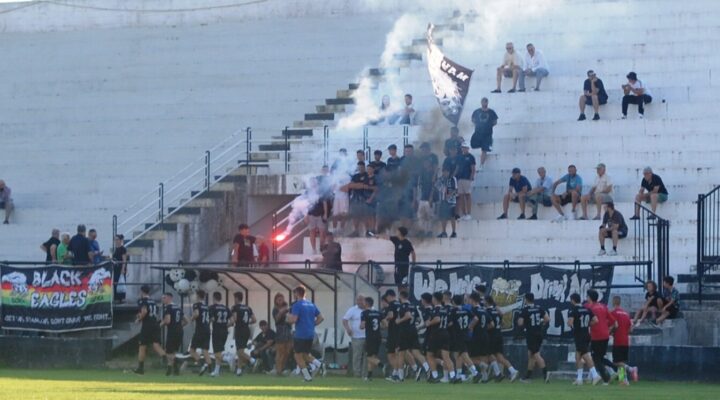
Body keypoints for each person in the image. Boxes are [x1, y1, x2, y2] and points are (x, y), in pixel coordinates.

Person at [288, 285, 325, 382]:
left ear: (297, 293)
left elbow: (294, 319)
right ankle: (320, 365)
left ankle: (307, 377)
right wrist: (312, 325)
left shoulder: (297, 305)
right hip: (310, 334)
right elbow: (321, 317)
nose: (294, 295)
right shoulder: (311, 304)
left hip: (300, 334)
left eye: (294, 293)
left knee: (297, 356)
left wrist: (288, 319)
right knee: (305, 355)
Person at [567, 293, 602, 385]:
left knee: (585, 355)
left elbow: (570, 323)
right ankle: (579, 379)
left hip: (579, 335)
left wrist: (575, 326)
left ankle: (595, 375)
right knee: (578, 356)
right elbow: (596, 320)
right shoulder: (587, 309)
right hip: (587, 333)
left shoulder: (573, 310)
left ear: (573, 300)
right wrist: (586, 325)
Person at [397, 290, 430, 381]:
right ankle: (427, 368)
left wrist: (399, 321)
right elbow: (419, 318)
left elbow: (408, 316)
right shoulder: (414, 307)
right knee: (416, 352)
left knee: (401, 353)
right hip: (413, 330)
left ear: (401, 296)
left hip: (404, 331)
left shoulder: (403, 306)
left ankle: (400, 377)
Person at [133, 285, 166, 375]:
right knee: (156, 345)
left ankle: (140, 368)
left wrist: (139, 319)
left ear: (142, 292)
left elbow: (144, 311)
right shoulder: (153, 301)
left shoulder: (142, 301)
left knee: (142, 346)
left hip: (147, 325)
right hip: (155, 324)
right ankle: (167, 360)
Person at [485, 296, 519, 382]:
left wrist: (484, 328)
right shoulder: (497, 312)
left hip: (492, 335)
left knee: (490, 354)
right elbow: (501, 317)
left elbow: (491, 325)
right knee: (500, 357)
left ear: (487, 302)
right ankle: (512, 370)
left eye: (484, 301)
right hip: (499, 334)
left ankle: (498, 373)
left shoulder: (487, 312)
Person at [425, 292, 457, 383]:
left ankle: (434, 376)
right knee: (446, 356)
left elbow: (437, 319)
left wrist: (429, 323)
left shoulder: (435, 310)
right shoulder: (445, 309)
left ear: (434, 299)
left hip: (436, 334)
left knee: (429, 355)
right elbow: (450, 323)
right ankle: (453, 376)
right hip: (445, 333)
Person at [517, 292, 550, 383]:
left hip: (531, 334)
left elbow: (520, 323)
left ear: (526, 299)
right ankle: (528, 375)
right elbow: (547, 319)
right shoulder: (539, 308)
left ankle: (545, 373)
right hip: (539, 333)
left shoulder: (525, 310)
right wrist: (540, 323)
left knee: (536, 354)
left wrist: (524, 323)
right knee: (531, 354)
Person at [585, 289, 616, 384]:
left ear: (589, 297)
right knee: (601, 357)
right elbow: (614, 322)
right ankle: (616, 368)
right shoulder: (603, 307)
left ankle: (606, 378)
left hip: (596, 336)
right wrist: (609, 331)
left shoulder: (589, 307)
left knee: (595, 358)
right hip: (605, 335)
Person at [610, 296, 638, 385]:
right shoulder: (626, 314)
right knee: (621, 361)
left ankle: (631, 369)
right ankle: (623, 380)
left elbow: (614, 325)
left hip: (618, 339)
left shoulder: (613, 313)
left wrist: (610, 332)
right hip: (625, 340)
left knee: (616, 362)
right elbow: (630, 330)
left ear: (613, 302)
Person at [451, 294, 479, 382]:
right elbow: (476, 319)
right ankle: (458, 376)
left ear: (453, 302)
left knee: (464, 354)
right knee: (457, 355)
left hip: (458, 335)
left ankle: (475, 373)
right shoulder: (466, 310)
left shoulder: (454, 311)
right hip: (465, 334)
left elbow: (450, 323)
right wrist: (470, 326)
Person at [230, 291, 257, 376]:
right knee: (241, 350)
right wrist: (246, 323)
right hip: (246, 330)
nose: (234, 300)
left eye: (234, 298)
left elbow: (234, 319)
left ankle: (252, 360)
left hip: (239, 330)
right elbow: (254, 320)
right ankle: (239, 370)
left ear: (237, 298)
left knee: (239, 351)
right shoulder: (248, 308)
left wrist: (229, 323)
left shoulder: (235, 307)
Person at [161, 292, 187, 376]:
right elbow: (186, 320)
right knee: (173, 351)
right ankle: (174, 370)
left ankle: (178, 363)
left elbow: (167, 320)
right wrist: (179, 326)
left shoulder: (168, 308)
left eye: (164, 298)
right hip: (179, 330)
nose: (163, 299)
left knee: (168, 351)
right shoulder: (178, 307)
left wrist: (160, 325)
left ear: (169, 298)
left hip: (172, 331)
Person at [342, 295, 367, 378]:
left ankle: (365, 374)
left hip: (368, 336)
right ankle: (357, 374)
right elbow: (345, 320)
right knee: (357, 356)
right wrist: (348, 329)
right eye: (358, 300)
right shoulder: (352, 310)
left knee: (366, 356)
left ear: (365, 301)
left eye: (361, 300)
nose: (359, 302)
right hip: (356, 337)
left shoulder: (370, 309)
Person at [470, 97, 498, 170]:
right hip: (478, 132)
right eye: (483, 102)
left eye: (485, 102)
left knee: (484, 149)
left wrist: (489, 126)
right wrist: (478, 125)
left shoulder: (491, 112)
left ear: (487, 103)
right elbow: (473, 120)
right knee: (473, 144)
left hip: (487, 134)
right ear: (481, 102)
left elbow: (495, 121)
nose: (484, 103)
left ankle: (482, 164)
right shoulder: (477, 111)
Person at [189, 289, 212, 376]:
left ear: (198, 296)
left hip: (200, 329)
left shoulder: (196, 305)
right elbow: (210, 319)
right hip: (207, 329)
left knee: (192, 350)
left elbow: (196, 314)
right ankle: (210, 371)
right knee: (205, 350)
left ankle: (203, 364)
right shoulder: (207, 307)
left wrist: (191, 319)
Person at [360, 297, 383, 381]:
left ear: (366, 303)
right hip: (378, 336)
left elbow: (362, 326)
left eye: (364, 302)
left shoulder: (364, 313)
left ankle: (381, 365)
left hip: (370, 337)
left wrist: (361, 326)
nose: (363, 303)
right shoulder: (378, 313)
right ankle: (369, 376)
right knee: (373, 355)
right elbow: (385, 324)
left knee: (368, 356)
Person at [381, 290, 402, 382]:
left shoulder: (391, 304)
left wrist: (384, 320)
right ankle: (397, 373)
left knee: (391, 353)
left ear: (390, 296)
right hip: (400, 330)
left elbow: (391, 315)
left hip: (393, 331)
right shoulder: (400, 304)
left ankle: (397, 373)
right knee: (397, 353)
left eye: (387, 297)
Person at [306, 177, 330, 254]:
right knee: (312, 231)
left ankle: (321, 248)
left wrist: (326, 214)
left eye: (314, 182)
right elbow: (305, 204)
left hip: (320, 214)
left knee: (322, 232)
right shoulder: (308, 192)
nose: (313, 183)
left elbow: (324, 203)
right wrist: (305, 216)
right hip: (311, 214)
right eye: (311, 182)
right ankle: (313, 249)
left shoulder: (321, 191)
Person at [209, 292, 230, 377]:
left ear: (213, 298)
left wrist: (208, 325)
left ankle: (228, 359)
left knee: (217, 352)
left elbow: (212, 319)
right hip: (224, 331)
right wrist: (225, 325)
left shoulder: (212, 307)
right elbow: (232, 321)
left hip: (217, 331)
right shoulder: (226, 308)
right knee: (219, 351)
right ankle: (216, 371)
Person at [271, 293, 293, 375]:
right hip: (280, 330)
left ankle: (282, 367)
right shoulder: (275, 309)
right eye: (279, 300)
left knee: (287, 351)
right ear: (276, 301)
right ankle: (278, 369)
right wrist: (281, 312)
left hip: (288, 329)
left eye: (282, 299)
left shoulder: (287, 308)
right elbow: (276, 319)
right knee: (280, 351)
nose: (281, 301)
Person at [435, 167, 458, 238]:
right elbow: (436, 186)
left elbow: (455, 189)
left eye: (447, 171)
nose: (445, 173)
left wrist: (449, 195)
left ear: (449, 172)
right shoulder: (441, 179)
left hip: (451, 201)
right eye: (444, 171)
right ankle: (444, 232)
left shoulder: (453, 179)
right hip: (443, 200)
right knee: (443, 216)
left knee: (452, 216)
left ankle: (454, 232)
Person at [416, 158, 436, 237]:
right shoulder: (422, 174)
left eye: (427, 163)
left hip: (430, 198)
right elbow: (419, 186)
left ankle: (429, 231)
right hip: (422, 197)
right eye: (425, 163)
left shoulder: (433, 173)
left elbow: (434, 186)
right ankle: (422, 230)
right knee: (421, 215)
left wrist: (431, 197)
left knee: (429, 216)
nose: (426, 164)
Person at [456, 144, 476, 220]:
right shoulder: (459, 157)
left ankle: (469, 214)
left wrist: (471, 177)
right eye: (463, 148)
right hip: (460, 179)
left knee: (467, 196)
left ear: (468, 148)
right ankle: (464, 214)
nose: (464, 149)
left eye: (465, 148)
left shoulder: (471, 157)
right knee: (461, 197)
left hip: (467, 178)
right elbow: (457, 168)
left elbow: (473, 168)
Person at [112, 234, 128, 303]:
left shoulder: (123, 249)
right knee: (115, 282)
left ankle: (121, 299)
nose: (116, 241)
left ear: (120, 240)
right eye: (115, 240)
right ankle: (116, 298)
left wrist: (123, 269)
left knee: (120, 282)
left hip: (120, 268)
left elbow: (124, 260)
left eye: (117, 239)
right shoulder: (115, 249)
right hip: (115, 268)